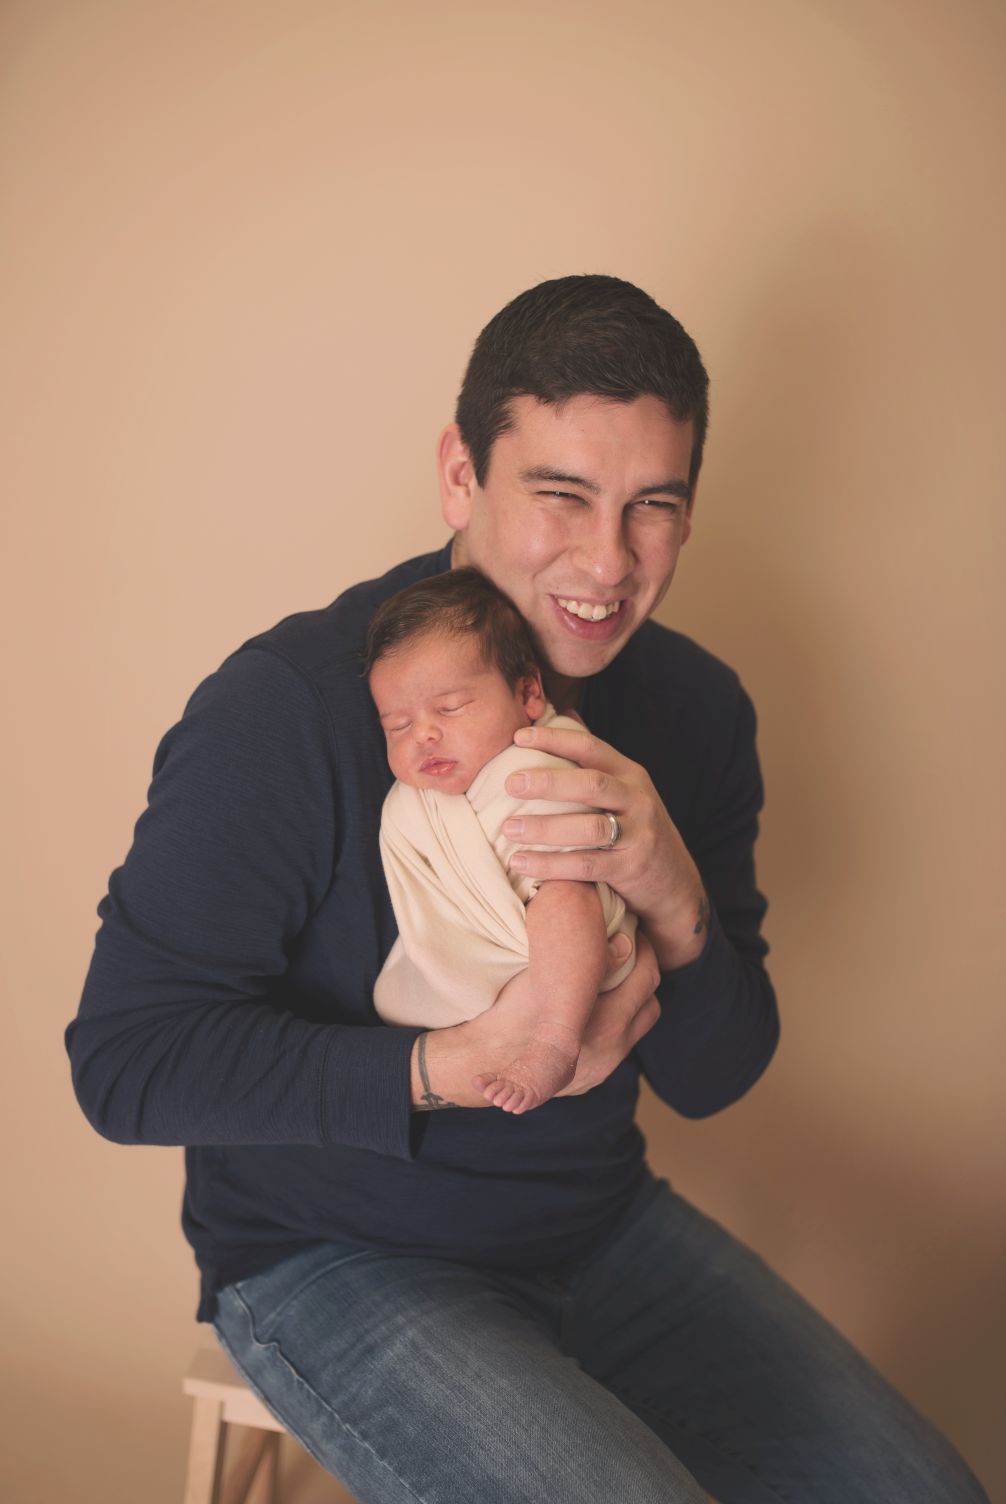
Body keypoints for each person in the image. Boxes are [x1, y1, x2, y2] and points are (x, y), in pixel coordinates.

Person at [66, 275, 988, 1502]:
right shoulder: (287, 708)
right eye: (562, 494)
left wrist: (672, 892)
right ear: (461, 475)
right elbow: (124, 1063)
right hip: (334, 1257)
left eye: (653, 505)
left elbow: (713, 1076)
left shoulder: (697, 710)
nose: (608, 561)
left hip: (600, 1228)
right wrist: (452, 1064)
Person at [366, 566, 638, 1113]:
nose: (424, 734)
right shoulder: (414, 804)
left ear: (528, 693)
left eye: (450, 708)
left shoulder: (539, 760)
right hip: (473, 978)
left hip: (571, 929)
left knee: (565, 892)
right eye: (397, 726)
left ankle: (555, 1040)